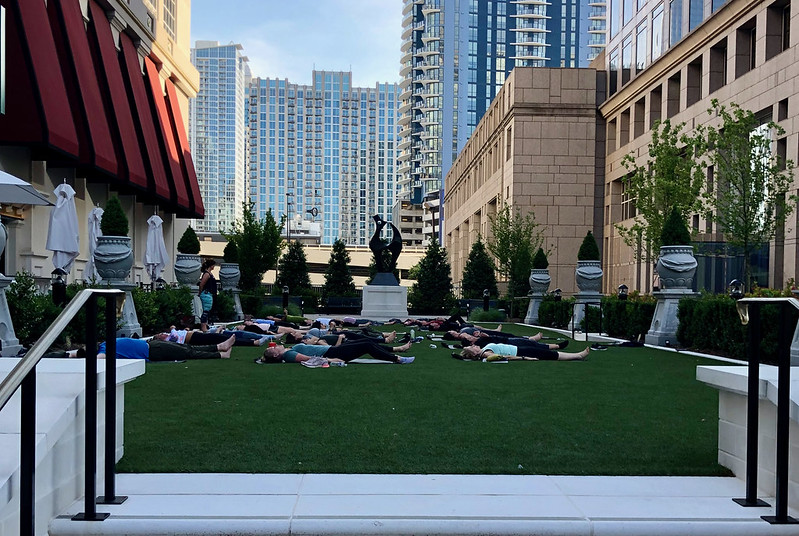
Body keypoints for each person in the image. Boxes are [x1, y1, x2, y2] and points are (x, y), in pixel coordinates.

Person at [255, 340, 415, 365]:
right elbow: (309, 358)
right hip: (332, 353)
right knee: (367, 345)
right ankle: (397, 358)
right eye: (272, 349)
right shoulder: (288, 355)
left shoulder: (286, 350)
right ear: (275, 355)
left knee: (367, 342)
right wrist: (332, 360)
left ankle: (397, 350)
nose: (274, 346)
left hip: (332, 349)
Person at [95, 334, 235, 361]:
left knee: (187, 348)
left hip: (153, 346)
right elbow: (100, 358)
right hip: (153, 351)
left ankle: (219, 347)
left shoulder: (105, 344)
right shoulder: (104, 349)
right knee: (188, 352)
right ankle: (220, 353)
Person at [458, 342, 588, 362]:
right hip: (520, 352)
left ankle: (578, 355)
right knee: (550, 355)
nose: (473, 345)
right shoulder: (485, 354)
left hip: (518, 348)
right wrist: (525, 358)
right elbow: (505, 357)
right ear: (474, 353)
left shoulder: (484, 350)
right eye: (472, 347)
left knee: (545, 351)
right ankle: (578, 355)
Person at [160, 327, 272, 346]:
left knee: (224, 338)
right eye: (160, 335)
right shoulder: (169, 338)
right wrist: (172, 328)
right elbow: (175, 336)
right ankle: (253, 342)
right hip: (195, 338)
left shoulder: (169, 336)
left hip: (196, 336)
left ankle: (252, 341)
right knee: (224, 339)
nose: (162, 334)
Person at [198, 259, 218, 332]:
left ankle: (205, 325)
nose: (214, 266)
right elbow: (202, 284)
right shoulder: (207, 274)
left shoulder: (210, 274)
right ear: (211, 265)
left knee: (208, 310)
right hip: (206, 294)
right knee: (206, 311)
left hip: (209, 294)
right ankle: (203, 326)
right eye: (213, 265)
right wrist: (200, 293)